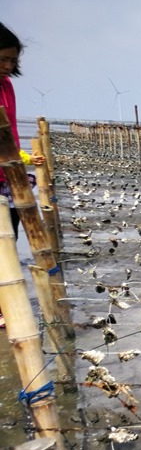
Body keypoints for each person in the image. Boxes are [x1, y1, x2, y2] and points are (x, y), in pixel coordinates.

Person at [0, 22, 45, 328]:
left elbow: (10, 137)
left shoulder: (7, 87)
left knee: (9, 242)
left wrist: (27, 157)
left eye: (12, 60)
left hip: (9, 178)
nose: (7, 65)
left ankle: (5, 307)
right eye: (2, 58)